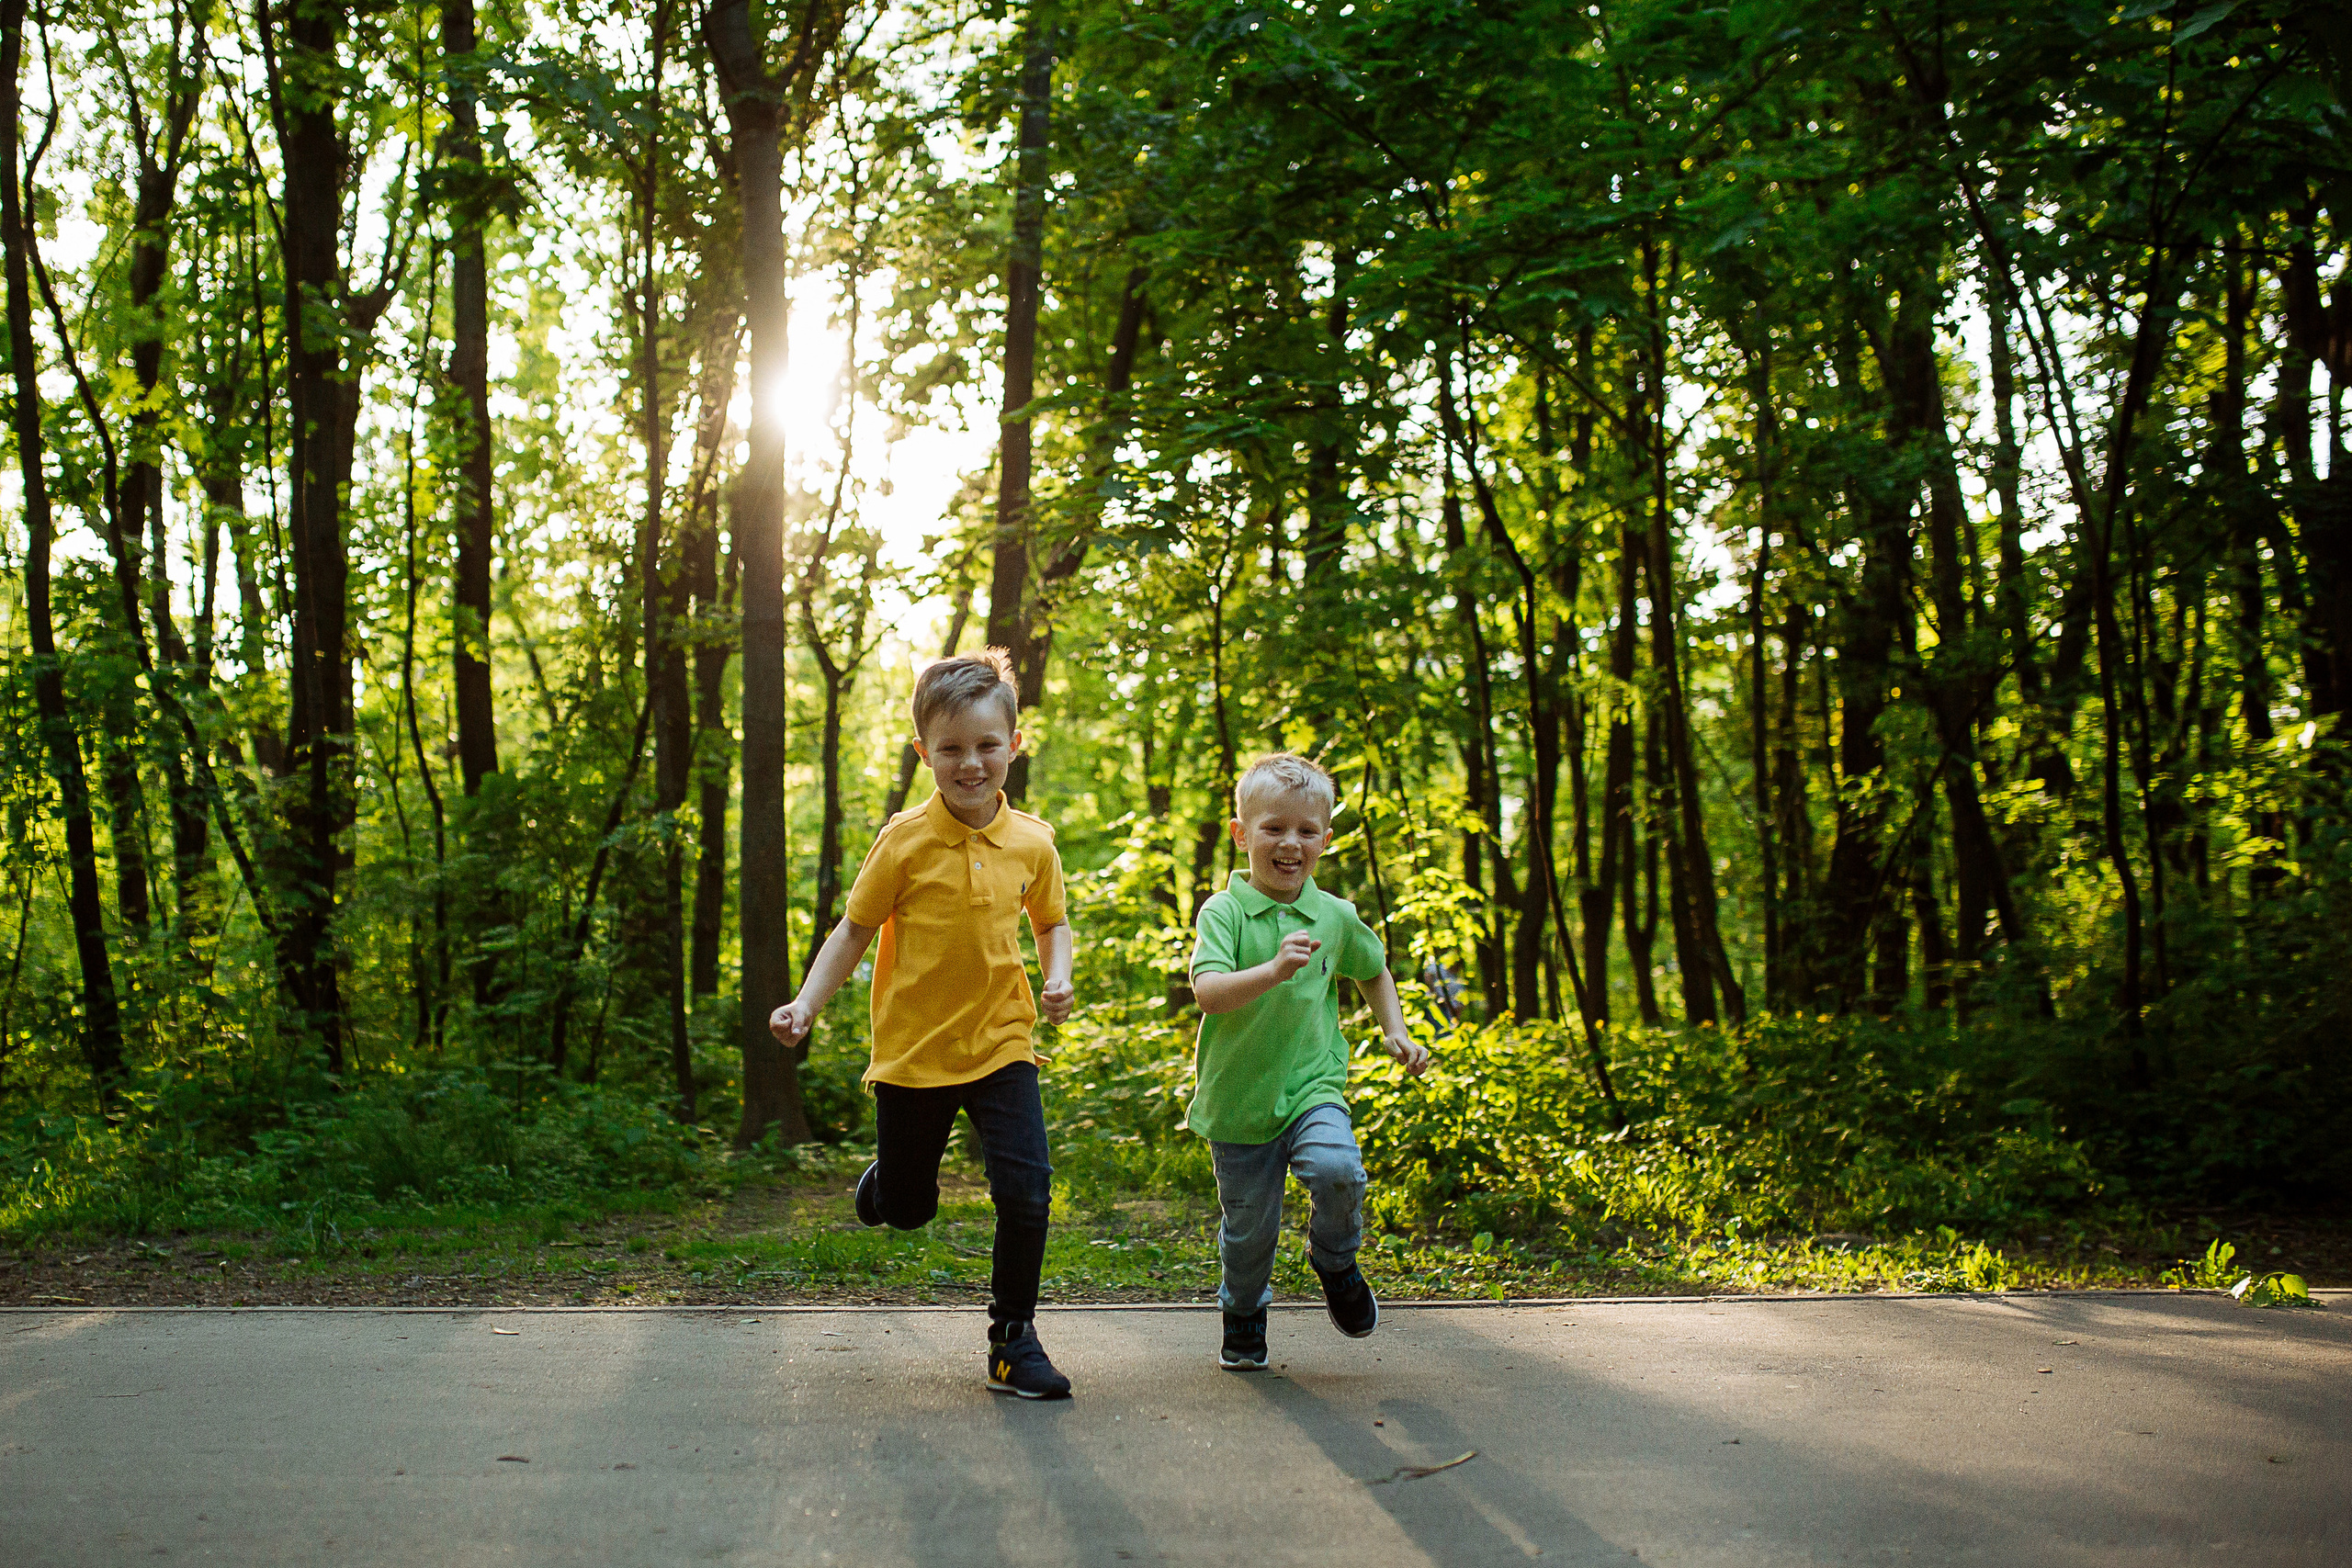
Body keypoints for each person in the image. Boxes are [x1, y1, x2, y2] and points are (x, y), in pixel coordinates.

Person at [770, 649, 1078, 1399]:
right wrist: (807, 1003)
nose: (970, 764)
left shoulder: (1033, 841)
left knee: (1028, 1190)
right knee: (909, 1209)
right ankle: (886, 1186)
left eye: (985, 746)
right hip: (913, 1053)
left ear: (1013, 744)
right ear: (924, 753)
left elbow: (1052, 922)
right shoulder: (903, 840)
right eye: (951, 749)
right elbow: (852, 930)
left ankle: (1013, 1339)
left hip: (1003, 1040)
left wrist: (1057, 974)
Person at [1185, 751, 1431, 1371]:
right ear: (1242, 833)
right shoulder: (1226, 912)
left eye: (1306, 830)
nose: (1290, 843)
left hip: (1311, 1086)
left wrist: (1395, 1030)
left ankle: (1336, 1258)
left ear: (1325, 838)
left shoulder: (1335, 915)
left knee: (1337, 1169)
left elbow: (1375, 971)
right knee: (1249, 1235)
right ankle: (1243, 1311)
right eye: (1273, 827)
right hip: (1238, 1099)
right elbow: (1209, 991)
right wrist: (1271, 970)